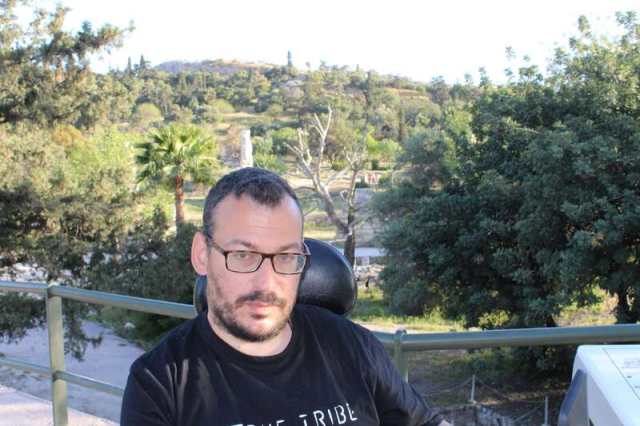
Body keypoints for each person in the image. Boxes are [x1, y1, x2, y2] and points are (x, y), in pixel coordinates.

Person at [121, 167, 450, 426]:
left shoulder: (351, 345)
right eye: (243, 255)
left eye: (286, 257)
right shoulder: (158, 385)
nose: (267, 283)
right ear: (202, 255)